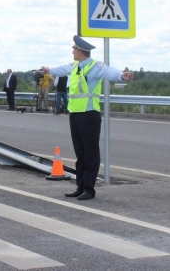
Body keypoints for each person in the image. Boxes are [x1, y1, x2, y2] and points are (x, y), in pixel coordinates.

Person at [41, 35, 134, 201]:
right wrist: (49, 70)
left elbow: (109, 71)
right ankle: (80, 186)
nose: (72, 51)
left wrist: (122, 75)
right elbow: (61, 69)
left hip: (89, 113)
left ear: (80, 51)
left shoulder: (94, 66)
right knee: (80, 153)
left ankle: (89, 189)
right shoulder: (76, 66)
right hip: (75, 113)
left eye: (74, 49)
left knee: (90, 152)